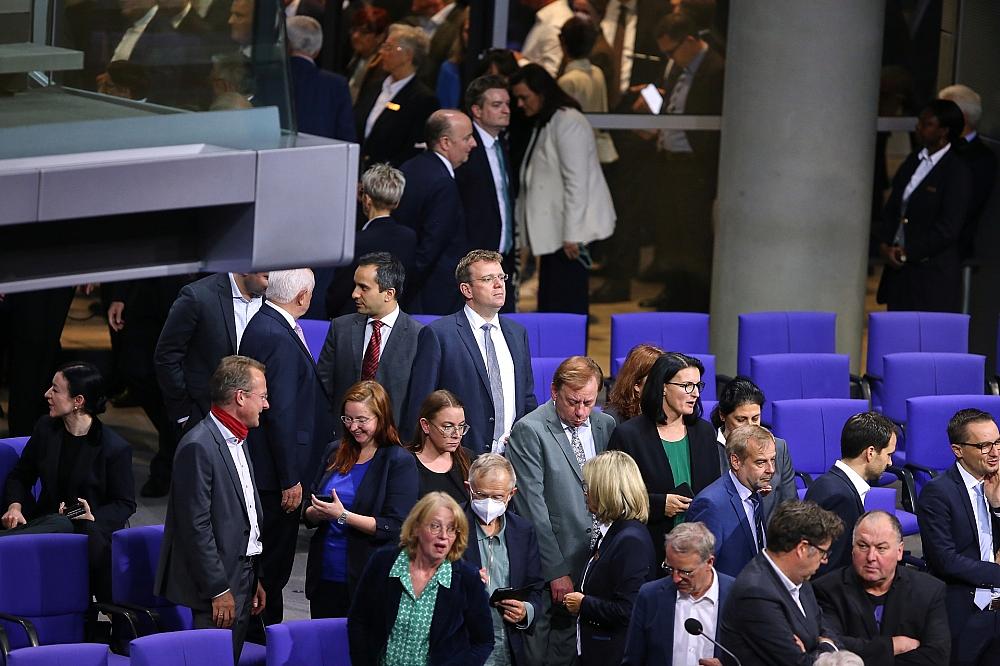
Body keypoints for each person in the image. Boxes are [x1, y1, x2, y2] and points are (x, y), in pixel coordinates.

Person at [154, 356, 268, 663]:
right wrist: (218, 590)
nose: (266, 405)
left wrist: (252, 576)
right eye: (263, 396)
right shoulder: (198, 445)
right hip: (216, 587)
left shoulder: (240, 439)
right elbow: (195, 527)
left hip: (242, 574)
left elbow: (243, 512)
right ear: (240, 397)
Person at [238, 269, 335, 628]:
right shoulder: (276, 334)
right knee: (271, 572)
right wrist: (290, 478)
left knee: (270, 572)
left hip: (272, 469)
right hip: (276, 475)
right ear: (302, 297)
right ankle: (265, 643)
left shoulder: (267, 323)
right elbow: (278, 412)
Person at [507, 355, 617, 666]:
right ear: (554, 391)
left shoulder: (605, 425)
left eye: (589, 402)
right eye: (573, 402)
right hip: (556, 566)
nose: (581, 412)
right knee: (548, 653)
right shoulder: (530, 430)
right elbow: (533, 509)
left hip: (596, 562)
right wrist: (556, 571)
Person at [2, 362, 136, 602]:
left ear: (78, 401)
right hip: (44, 521)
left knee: (71, 526)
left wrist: (93, 516)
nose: (47, 394)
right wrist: (15, 505)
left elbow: (124, 503)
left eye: (55, 390)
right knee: (60, 523)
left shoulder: (114, 448)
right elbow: (21, 476)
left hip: (88, 529)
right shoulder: (46, 429)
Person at [303, 380, 418, 618]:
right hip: (325, 574)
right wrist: (314, 512)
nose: (354, 427)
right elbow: (308, 505)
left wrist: (343, 516)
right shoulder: (334, 451)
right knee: (324, 650)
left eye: (362, 420)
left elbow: (395, 526)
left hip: (367, 577)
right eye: (347, 419)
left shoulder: (398, 461)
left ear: (381, 417)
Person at [404, 249, 536, 455]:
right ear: (467, 289)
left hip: (512, 457)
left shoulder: (517, 334)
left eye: (501, 277)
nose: (499, 284)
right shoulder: (439, 334)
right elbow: (422, 402)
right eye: (488, 278)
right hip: (458, 457)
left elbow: (526, 398)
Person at [636, 12, 725, 312]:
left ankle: (695, 298)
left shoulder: (716, 69)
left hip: (695, 165)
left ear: (690, 40)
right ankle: (674, 293)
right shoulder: (677, 68)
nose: (668, 57)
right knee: (671, 231)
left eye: (671, 51)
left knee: (693, 234)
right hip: (669, 159)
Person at [510, 63, 616, 315]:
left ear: (542, 92)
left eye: (524, 97)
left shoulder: (568, 121)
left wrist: (573, 235)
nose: (520, 105)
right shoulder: (547, 120)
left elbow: (576, 181)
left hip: (568, 238)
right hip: (554, 235)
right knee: (551, 301)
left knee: (565, 303)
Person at [152, 271, 269, 497]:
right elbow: (166, 356)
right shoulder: (197, 296)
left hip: (256, 424)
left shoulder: (270, 299)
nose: (272, 279)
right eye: (266, 274)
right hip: (204, 418)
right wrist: (184, 414)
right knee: (201, 499)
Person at [348, 492, 494, 665]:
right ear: (416, 527)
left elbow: (483, 642)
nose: (444, 536)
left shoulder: (467, 578)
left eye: (451, 529)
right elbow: (358, 621)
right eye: (435, 526)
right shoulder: (383, 563)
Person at [609, 352, 721, 566]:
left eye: (698, 386)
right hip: (649, 549)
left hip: (698, 551)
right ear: (662, 387)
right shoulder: (628, 435)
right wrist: (659, 504)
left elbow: (715, 490)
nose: (695, 393)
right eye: (687, 385)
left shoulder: (704, 432)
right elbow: (615, 500)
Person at [917, 408, 1000, 666]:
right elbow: (945, 560)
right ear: (958, 450)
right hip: (964, 609)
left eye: (998, 442)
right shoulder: (938, 493)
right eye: (984, 446)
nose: (995, 453)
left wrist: (997, 507)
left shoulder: (998, 482)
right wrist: (996, 573)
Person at [813, 510, 951, 665]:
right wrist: (892, 646)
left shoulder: (929, 590)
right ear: (852, 549)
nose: (871, 557)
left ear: (899, 551)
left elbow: (936, 657)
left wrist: (865, 653)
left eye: (881, 548)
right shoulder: (827, 590)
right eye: (863, 546)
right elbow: (832, 649)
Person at [717, 500, 844, 666]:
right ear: (802, 548)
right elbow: (799, 663)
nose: (824, 561)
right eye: (823, 553)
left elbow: (827, 631)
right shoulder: (755, 593)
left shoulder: (800, 578)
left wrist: (821, 646)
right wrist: (826, 646)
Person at [876, 98, 972, 312]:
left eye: (927, 124)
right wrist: (885, 243)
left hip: (931, 275)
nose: (919, 128)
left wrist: (908, 252)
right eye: (919, 122)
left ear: (944, 131)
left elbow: (948, 229)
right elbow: (894, 206)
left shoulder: (956, 171)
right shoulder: (914, 159)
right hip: (900, 274)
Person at [563, 450, 657, 665]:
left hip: (614, 655)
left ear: (605, 490)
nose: (585, 494)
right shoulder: (615, 533)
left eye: (589, 487)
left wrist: (584, 604)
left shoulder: (630, 540)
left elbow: (629, 610)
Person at [317, 253, 424, 435]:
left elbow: (419, 400)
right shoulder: (340, 328)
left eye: (363, 288)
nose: (354, 294)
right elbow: (322, 389)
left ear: (389, 294)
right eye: (355, 285)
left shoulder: (419, 336)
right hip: (344, 442)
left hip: (394, 444)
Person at [461, 453, 545, 666]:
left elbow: (536, 588)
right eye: (481, 495)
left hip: (508, 649)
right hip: (462, 647)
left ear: (511, 494)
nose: (489, 503)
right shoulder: (449, 526)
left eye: (497, 497)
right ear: (468, 489)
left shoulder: (523, 531)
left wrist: (527, 611)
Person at [394, 109, 477, 314]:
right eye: (467, 138)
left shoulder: (409, 167)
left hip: (411, 290)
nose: (473, 144)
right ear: (445, 143)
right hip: (433, 297)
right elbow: (429, 250)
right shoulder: (442, 183)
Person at [622, 522, 734, 666]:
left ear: (709, 562)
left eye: (685, 571)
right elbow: (632, 661)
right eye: (669, 568)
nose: (676, 578)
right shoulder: (650, 596)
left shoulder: (737, 597)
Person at [805, 411, 897, 577]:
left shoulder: (825, 483)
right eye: (888, 454)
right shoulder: (841, 498)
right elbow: (831, 568)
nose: (890, 462)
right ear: (870, 453)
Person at [455, 75, 517, 311]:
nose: (506, 110)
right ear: (476, 110)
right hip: (473, 258)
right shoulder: (467, 149)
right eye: (496, 105)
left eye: (507, 104)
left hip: (502, 255)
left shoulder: (501, 144)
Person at [322, 166, 417, 318]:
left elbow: (338, 291)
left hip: (352, 321)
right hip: (392, 319)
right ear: (397, 202)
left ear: (366, 200)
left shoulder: (357, 240)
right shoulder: (409, 237)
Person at [687, 424, 777, 577]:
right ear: (736, 461)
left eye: (773, 460)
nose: (771, 469)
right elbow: (700, 571)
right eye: (760, 462)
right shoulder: (710, 505)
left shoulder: (755, 492)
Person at [355, 23, 440, 170]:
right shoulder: (373, 86)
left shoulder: (423, 100)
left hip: (388, 181)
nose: (381, 52)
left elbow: (412, 151)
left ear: (408, 55)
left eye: (388, 47)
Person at [712, 376, 797, 507]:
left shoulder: (778, 447)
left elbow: (791, 506)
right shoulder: (708, 447)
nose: (750, 426)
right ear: (722, 415)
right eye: (741, 420)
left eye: (755, 418)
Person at [937, 84, 998, 262]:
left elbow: (965, 208)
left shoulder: (981, 158)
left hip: (949, 249)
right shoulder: (935, 146)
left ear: (961, 117)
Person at [557, 15, 617, 165]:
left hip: (577, 155)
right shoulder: (598, 72)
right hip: (599, 152)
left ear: (562, 42)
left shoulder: (568, 81)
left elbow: (562, 128)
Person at [287, 16, 357, 141]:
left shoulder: (270, 79)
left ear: (286, 44)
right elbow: (346, 137)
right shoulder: (337, 85)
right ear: (317, 50)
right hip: (323, 158)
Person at [408, 390, 475, 508]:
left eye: (461, 426)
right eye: (448, 427)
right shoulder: (406, 463)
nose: (457, 434)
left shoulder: (469, 460)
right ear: (426, 425)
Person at [604, 343, 664, 425]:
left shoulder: (668, 415)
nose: (664, 386)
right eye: (657, 379)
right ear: (637, 385)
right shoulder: (612, 421)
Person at [345, 6, 390, 105]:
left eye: (364, 32)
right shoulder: (352, 57)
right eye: (354, 30)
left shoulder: (384, 67)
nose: (355, 36)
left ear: (380, 37)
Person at [519, 0, 574, 77]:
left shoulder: (555, 24)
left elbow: (551, 76)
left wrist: (519, 61)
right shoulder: (548, 19)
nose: (521, 2)